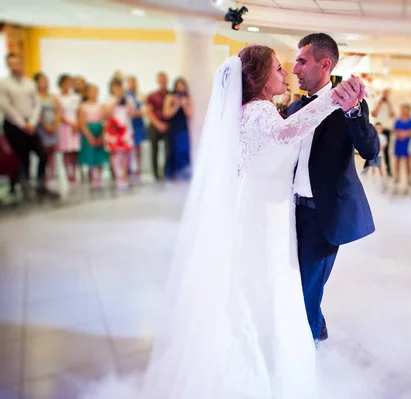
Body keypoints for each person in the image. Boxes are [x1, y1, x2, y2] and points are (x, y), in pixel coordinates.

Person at [83, 46, 368, 398]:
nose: (285, 74)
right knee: (264, 283)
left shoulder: (249, 110)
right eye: (279, 68)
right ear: (261, 77)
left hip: (266, 209)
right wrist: (331, 100)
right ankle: (263, 365)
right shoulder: (261, 110)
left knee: (260, 283)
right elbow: (285, 135)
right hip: (263, 214)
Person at [288, 33, 378, 342]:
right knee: (292, 283)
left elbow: (370, 149)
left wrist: (353, 111)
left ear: (324, 64)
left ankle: (307, 347)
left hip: (323, 215)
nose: (295, 69)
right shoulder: (294, 107)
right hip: (288, 212)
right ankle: (317, 329)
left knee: (307, 288)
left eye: (301, 61)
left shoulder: (348, 104)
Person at [0, 53, 58, 199]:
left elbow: (36, 104)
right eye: (12, 63)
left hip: (31, 123)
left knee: (42, 154)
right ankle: (23, 186)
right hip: (14, 125)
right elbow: (6, 106)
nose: (16, 66)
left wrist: (32, 122)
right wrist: (22, 123)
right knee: (21, 156)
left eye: (18, 63)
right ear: (8, 65)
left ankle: (40, 182)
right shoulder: (4, 83)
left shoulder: (29, 83)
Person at [103, 77, 134, 191]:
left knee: (125, 153)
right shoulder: (109, 99)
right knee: (115, 153)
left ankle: (125, 176)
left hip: (125, 128)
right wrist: (116, 101)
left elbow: (132, 114)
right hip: (113, 129)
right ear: (111, 87)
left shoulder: (128, 99)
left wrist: (127, 102)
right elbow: (106, 113)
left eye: (120, 86)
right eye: (115, 86)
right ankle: (117, 178)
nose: (118, 89)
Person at [33, 72, 61, 186]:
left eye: (46, 80)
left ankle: (52, 175)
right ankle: (42, 176)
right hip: (42, 127)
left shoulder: (53, 97)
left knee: (52, 152)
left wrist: (55, 124)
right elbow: (35, 113)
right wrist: (46, 125)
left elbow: (58, 111)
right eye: (42, 81)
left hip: (53, 125)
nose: (44, 83)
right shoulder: (35, 97)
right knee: (43, 152)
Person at [163, 78, 193, 180]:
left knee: (183, 149)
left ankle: (183, 172)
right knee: (172, 150)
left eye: (182, 85)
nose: (180, 88)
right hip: (173, 127)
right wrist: (176, 105)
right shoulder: (170, 97)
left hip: (183, 128)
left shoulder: (188, 99)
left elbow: (190, 115)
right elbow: (166, 114)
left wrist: (184, 105)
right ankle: (172, 173)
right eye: (178, 86)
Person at [78, 84, 107, 189]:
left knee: (100, 154)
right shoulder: (83, 106)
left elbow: (105, 120)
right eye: (91, 91)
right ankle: (92, 175)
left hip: (99, 129)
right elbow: (81, 122)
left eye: (95, 91)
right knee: (90, 153)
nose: (93, 94)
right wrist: (89, 136)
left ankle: (99, 176)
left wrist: (102, 135)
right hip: (88, 130)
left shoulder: (101, 105)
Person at [57, 74, 82, 185]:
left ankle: (75, 173)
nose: (67, 85)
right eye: (65, 83)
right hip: (64, 126)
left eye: (69, 83)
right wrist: (70, 123)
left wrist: (77, 124)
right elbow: (59, 113)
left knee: (74, 151)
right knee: (66, 151)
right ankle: (68, 174)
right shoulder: (57, 98)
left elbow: (79, 112)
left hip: (76, 126)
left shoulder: (76, 97)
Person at [146, 72, 170, 181]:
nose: (163, 82)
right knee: (154, 150)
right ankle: (156, 174)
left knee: (168, 150)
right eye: (161, 80)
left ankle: (165, 172)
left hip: (167, 125)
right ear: (158, 81)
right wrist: (158, 124)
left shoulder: (170, 94)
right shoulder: (152, 96)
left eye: (164, 79)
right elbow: (149, 112)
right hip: (155, 125)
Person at [126, 75, 147, 182]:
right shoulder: (126, 96)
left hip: (139, 123)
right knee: (130, 147)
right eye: (129, 82)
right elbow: (129, 112)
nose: (131, 84)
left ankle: (139, 168)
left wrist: (138, 113)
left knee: (139, 147)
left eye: (133, 82)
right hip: (130, 124)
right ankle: (130, 168)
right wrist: (136, 113)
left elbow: (144, 109)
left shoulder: (139, 95)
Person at [371, 89, 395, 176]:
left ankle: (388, 170)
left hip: (387, 129)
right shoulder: (378, 103)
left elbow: (393, 115)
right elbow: (373, 114)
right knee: (374, 148)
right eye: (384, 93)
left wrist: (388, 104)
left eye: (387, 94)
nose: (385, 95)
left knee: (386, 150)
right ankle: (368, 168)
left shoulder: (391, 104)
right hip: (378, 128)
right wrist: (380, 104)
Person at [393, 103, 411, 188]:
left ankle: (409, 178)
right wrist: (399, 134)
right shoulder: (398, 120)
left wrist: (405, 134)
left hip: (407, 142)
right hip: (399, 142)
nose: (405, 111)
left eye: (406, 109)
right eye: (403, 109)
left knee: (407, 161)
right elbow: (394, 130)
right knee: (397, 160)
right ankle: (397, 177)